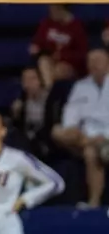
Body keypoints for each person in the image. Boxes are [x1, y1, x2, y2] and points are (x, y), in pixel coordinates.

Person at [55, 46, 109, 206]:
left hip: (105, 136)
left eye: (98, 60)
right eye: (90, 61)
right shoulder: (80, 86)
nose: (94, 64)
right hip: (85, 137)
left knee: (91, 153)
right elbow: (70, 113)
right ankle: (93, 202)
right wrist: (73, 129)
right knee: (57, 131)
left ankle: (94, 201)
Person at [30, 5, 87, 84]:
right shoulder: (47, 23)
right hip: (50, 59)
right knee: (44, 61)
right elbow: (38, 42)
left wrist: (63, 56)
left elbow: (81, 53)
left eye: (53, 10)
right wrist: (36, 47)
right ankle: (49, 91)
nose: (51, 13)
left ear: (61, 10)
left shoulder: (76, 27)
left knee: (60, 69)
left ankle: (51, 92)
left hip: (69, 64)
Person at [11, 68, 50, 157]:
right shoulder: (22, 101)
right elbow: (19, 127)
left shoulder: (50, 99)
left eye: (32, 79)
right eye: (25, 80)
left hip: (45, 139)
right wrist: (16, 115)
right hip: (27, 139)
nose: (29, 83)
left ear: (41, 80)